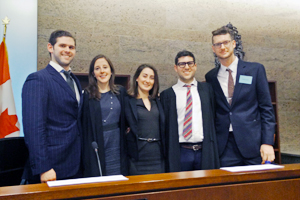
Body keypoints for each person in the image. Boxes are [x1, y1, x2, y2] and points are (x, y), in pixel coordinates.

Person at [205, 26, 276, 167]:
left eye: (226, 42)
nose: (222, 47)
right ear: (213, 49)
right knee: (228, 188)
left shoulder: (255, 70)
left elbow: (266, 108)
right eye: (218, 44)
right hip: (224, 147)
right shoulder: (211, 76)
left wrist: (267, 142)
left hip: (253, 144)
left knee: (256, 187)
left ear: (233, 44)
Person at [22, 30, 82, 183]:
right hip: (51, 168)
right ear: (50, 47)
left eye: (71, 47)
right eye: (62, 45)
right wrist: (43, 167)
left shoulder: (75, 80)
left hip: (75, 164)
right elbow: (34, 128)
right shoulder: (38, 79)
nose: (67, 50)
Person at [160, 50, 219, 172]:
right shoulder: (167, 95)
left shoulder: (207, 90)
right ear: (176, 68)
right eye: (182, 64)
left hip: (205, 151)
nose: (186, 67)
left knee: (206, 189)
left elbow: (214, 117)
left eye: (190, 63)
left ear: (195, 66)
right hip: (181, 152)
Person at [81, 54, 128, 177]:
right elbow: (84, 126)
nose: (102, 71)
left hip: (117, 144)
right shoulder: (87, 95)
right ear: (93, 73)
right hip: (98, 145)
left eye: (105, 67)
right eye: (97, 68)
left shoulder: (120, 92)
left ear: (111, 71)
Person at [125, 64, 166, 175]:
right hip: (137, 158)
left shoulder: (158, 101)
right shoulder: (127, 101)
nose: (148, 80)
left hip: (158, 157)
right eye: (145, 76)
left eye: (152, 78)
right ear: (137, 78)